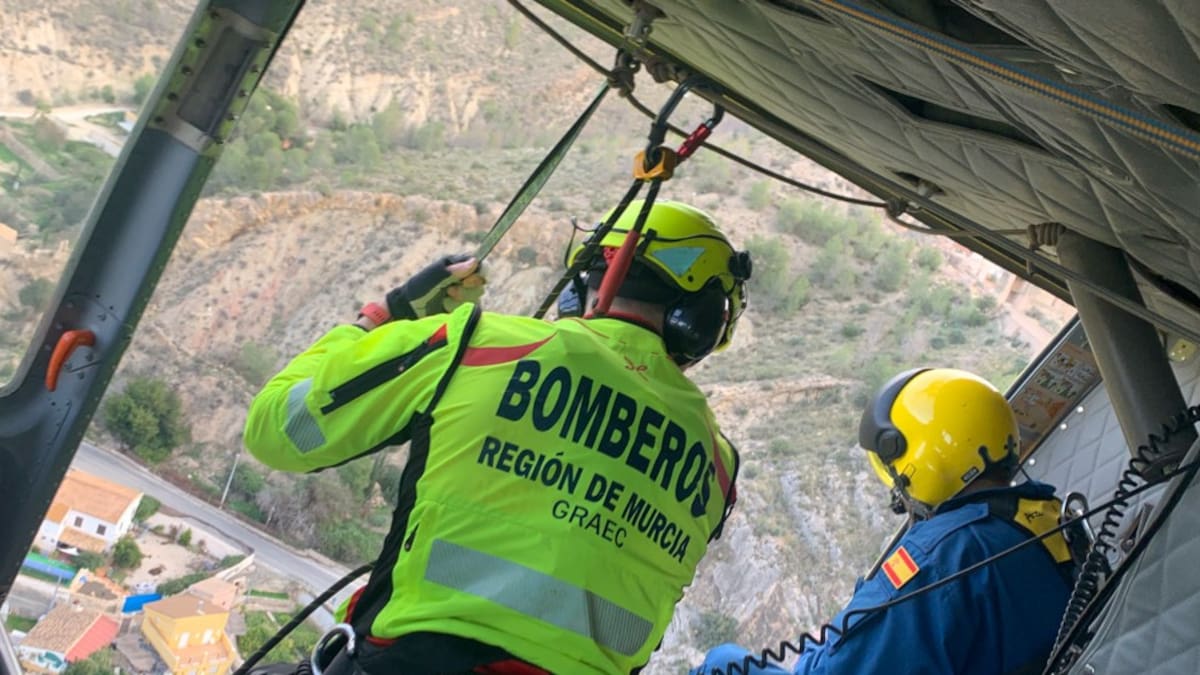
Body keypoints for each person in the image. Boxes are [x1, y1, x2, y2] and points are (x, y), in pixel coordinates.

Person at [243, 200, 751, 675]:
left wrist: (382, 319)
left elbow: (278, 429)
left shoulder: (474, 344)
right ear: (700, 325)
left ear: (584, 280)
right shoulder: (718, 469)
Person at [693, 368, 1077, 675]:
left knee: (722, 663)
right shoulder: (1047, 521)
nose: (898, 491)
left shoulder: (941, 557)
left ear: (923, 460)